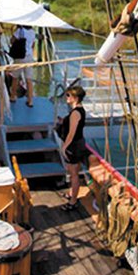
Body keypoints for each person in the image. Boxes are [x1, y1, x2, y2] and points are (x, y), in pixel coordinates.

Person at [60, 84, 87, 212]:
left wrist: (64, 146)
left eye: (68, 95)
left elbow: (72, 132)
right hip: (78, 143)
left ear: (75, 98)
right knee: (73, 172)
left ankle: (73, 201)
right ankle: (72, 194)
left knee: (74, 173)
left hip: (74, 146)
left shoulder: (76, 113)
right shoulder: (79, 111)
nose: (67, 97)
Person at [9, 24, 36, 107]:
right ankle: (30, 100)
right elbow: (33, 45)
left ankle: (13, 96)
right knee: (29, 79)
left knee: (15, 77)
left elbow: (12, 41)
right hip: (29, 57)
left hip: (20, 57)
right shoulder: (33, 32)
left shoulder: (19, 31)